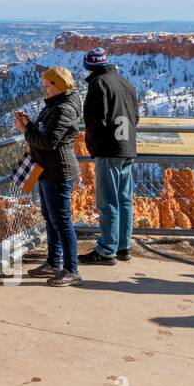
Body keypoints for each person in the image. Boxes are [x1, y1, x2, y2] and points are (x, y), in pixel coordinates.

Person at [14, 66, 82, 286]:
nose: (43, 89)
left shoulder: (64, 109)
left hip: (58, 172)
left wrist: (26, 132)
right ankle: (53, 262)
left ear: (59, 85)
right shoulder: (55, 105)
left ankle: (72, 270)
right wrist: (29, 125)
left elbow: (48, 141)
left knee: (62, 221)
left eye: (47, 85)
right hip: (47, 170)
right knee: (51, 218)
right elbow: (45, 132)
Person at [79, 47, 140, 265]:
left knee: (107, 202)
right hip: (128, 148)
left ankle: (106, 250)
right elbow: (136, 117)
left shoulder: (98, 84)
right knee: (124, 200)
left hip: (108, 149)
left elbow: (95, 120)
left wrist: (92, 145)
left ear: (89, 67)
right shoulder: (125, 83)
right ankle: (123, 247)